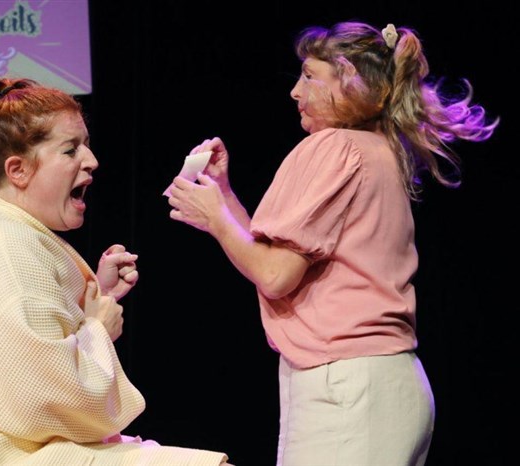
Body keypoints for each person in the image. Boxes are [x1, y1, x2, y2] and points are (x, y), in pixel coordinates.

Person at [167, 21, 498, 466]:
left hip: (346, 387)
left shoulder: (333, 146)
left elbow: (275, 274)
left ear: (348, 80)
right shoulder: (379, 149)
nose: (295, 91)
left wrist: (216, 219)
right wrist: (224, 199)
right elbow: (280, 255)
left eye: (309, 76)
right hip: (381, 384)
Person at [0, 77, 231, 466]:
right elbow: (53, 400)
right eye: (70, 150)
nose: (91, 160)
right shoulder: (1, 243)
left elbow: (18, 352)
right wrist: (97, 328)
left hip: (5, 445)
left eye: (85, 144)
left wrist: (95, 297)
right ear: (18, 170)